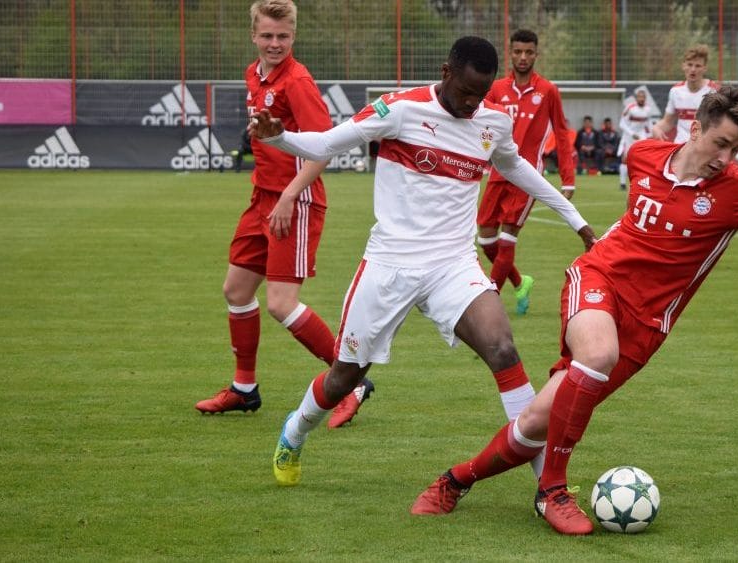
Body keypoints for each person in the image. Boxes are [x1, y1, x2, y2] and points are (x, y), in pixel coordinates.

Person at [410, 85, 738, 535]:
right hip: (598, 278)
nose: (726, 158)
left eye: (735, 149)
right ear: (696, 129)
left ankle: (454, 480)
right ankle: (552, 489)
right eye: (721, 143)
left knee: (537, 421)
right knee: (596, 357)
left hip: (648, 323)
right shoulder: (645, 155)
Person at [247, 36, 597, 488]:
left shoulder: (492, 122)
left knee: (504, 349)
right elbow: (327, 144)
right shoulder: (399, 110)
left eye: (482, 94)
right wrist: (279, 136)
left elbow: (517, 168)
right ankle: (295, 431)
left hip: (453, 264)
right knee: (344, 376)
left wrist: (578, 222)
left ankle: (549, 485)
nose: (473, 104)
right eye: (466, 92)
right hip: (389, 265)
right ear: (446, 72)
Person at [195, 0, 376, 421]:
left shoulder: (297, 81)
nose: (275, 43)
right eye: (267, 35)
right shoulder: (253, 75)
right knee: (237, 292)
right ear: (254, 35)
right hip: (262, 198)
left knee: (280, 303)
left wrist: (290, 195)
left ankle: (354, 380)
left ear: (293, 37)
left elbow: (323, 149)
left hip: (294, 201)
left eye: (283, 36)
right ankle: (244, 389)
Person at [478, 29, 577, 316]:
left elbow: (561, 132)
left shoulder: (548, 90)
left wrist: (568, 179)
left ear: (536, 53)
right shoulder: (496, 89)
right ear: (511, 53)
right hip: (498, 172)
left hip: (527, 175)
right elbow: (484, 126)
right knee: (486, 238)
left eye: (529, 52)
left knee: (508, 238)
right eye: (518, 52)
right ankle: (521, 283)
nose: (523, 57)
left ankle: (490, 300)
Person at [651, 44, 719, 144]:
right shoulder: (676, 91)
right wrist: (657, 128)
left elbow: (720, 124)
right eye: (690, 64)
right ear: (683, 66)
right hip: (681, 147)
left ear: (704, 68)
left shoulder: (713, 91)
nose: (693, 69)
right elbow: (668, 122)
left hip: (704, 149)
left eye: (698, 66)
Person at [616, 86, 651, 191]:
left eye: (643, 97)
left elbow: (648, 123)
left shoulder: (648, 109)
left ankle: (642, 181)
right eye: (639, 97)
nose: (641, 99)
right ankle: (622, 183)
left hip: (641, 136)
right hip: (629, 136)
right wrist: (632, 134)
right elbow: (622, 123)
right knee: (625, 159)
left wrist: (650, 135)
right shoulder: (630, 108)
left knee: (644, 159)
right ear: (636, 98)